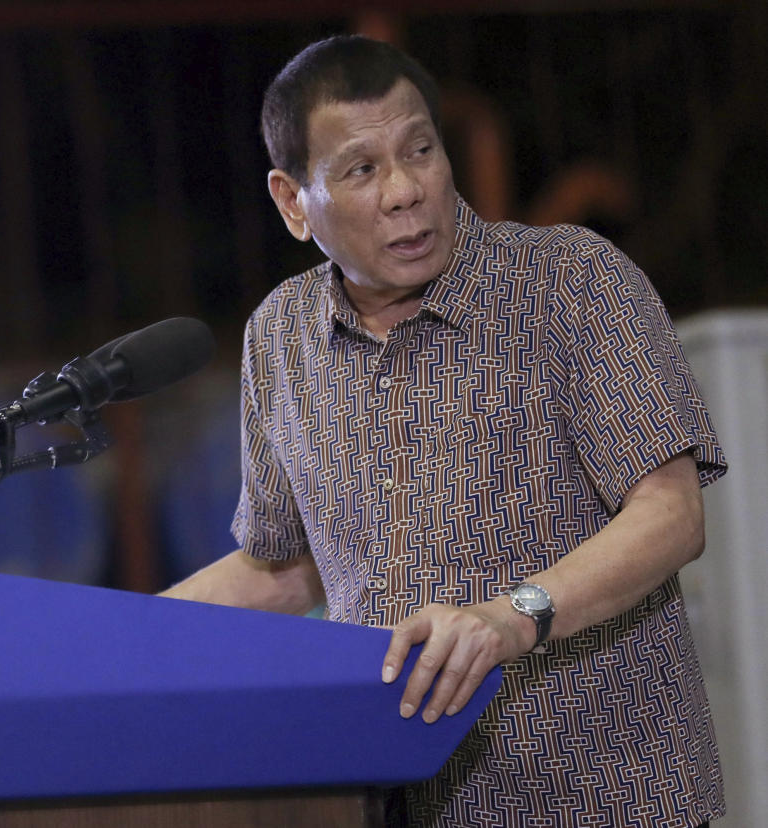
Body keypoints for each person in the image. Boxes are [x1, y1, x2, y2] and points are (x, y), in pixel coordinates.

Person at [161, 35, 725, 827]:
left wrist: (512, 615)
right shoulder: (279, 337)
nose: (404, 191)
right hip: (395, 797)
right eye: (362, 169)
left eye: (420, 150)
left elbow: (671, 514)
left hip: (602, 793)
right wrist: (124, 641)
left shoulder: (569, 280)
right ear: (293, 201)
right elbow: (288, 568)